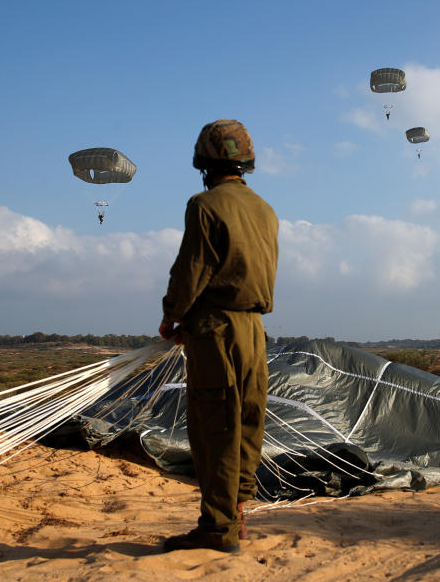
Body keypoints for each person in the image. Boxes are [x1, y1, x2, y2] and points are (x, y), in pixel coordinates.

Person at [159, 119, 279, 554]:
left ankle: (217, 529)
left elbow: (192, 268)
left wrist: (173, 316)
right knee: (247, 422)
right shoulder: (265, 209)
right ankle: (237, 513)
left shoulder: (204, 205)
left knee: (216, 427)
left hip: (216, 330)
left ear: (204, 162)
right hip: (254, 330)